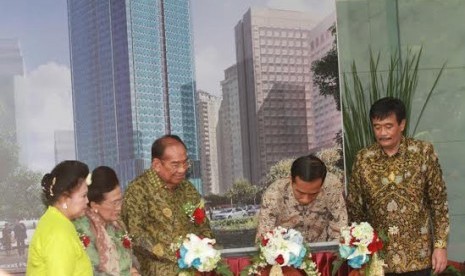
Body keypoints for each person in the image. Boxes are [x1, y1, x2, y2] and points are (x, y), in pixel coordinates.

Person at [347, 97, 449, 275]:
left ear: (402, 124)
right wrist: (360, 252)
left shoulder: (423, 153)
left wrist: (440, 246)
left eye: (388, 126)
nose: (382, 133)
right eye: (377, 127)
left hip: (418, 258)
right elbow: (355, 208)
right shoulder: (363, 158)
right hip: (378, 260)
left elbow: (439, 203)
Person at [122, 135, 213, 275]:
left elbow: (202, 224)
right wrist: (176, 255)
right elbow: (136, 235)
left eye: (185, 163)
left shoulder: (188, 189)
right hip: (157, 270)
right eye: (175, 165)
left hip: (195, 267)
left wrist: (203, 251)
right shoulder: (138, 190)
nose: (182, 170)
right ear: (157, 165)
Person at [257, 154, 348, 243]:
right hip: (285, 253)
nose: (306, 199)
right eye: (300, 192)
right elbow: (264, 239)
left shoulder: (332, 187)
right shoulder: (274, 194)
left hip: (322, 252)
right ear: (291, 180)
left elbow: (339, 229)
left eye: (313, 193)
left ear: (322, 184)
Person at [26, 160, 92, 276]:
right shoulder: (59, 232)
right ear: (64, 198)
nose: (87, 201)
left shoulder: (55, 221)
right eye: (83, 196)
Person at [74, 166, 140, 276]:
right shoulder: (82, 231)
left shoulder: (116, 225)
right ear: (95, 205)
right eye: (114, 203)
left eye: (120, 200)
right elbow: (92, 271)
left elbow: (129, 259)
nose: (119, 207)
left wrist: (133, 271)